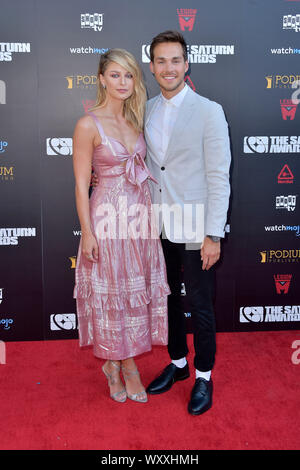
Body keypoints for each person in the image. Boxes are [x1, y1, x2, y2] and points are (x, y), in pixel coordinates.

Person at [73, 48, 170, 404]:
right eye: (115, 75)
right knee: (113, 294)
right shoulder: (88, 124)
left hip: (140, 219)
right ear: (101, 79)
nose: (123, 82)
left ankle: (121, 364)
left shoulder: (136, 119)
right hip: (107, 219)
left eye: (128, 75)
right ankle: (121, 366)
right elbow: (82, 183)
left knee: (135, 293)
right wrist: (87, 231)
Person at [143, 30, 231, 416]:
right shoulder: (145, 109)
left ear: (186, 64)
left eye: (175, 60)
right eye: (161, 61)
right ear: (152, 66)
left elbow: (219, 176)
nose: (168, 68)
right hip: (158, 223)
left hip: (197, 226)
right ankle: (178, 364)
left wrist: (214, 233)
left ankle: (204, 375)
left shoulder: (209, 111)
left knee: (200, 303)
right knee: (167, 299)